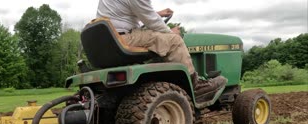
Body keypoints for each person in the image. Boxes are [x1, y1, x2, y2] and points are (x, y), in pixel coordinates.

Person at [96, 0, 227, 95]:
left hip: (109, 39)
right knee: (174, 41)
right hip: (122, 37)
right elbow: (151, 21)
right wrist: (171, 32)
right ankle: (196, 86)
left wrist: (157, 13)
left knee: (160, 38)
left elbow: (129, 16)